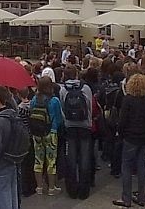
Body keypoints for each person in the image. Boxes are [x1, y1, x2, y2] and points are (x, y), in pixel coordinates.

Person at [113, 73, 145, 208]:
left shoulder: (128, 100)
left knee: (127, 166)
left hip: (130, 137)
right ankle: (141, 197)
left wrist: (120, 133)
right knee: (141, 166)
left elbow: (122, 120)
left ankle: (126, 198)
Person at [59, 64, 92, 200]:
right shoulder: (85, 88)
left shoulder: (63, 89)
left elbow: (62, 107)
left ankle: (72, 189)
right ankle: (84, 190)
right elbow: (89, 105)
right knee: (84, 158)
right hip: (84, 125)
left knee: (71, 158)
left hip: (70, 126)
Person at [30, 76, 63, 196]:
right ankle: (52, 187)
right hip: (51, 132)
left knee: (38, 160)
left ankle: (39, 187)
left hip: (37, 133)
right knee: (51, 160)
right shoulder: (54, 100)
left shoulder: (34, 99)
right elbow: (59, 119)